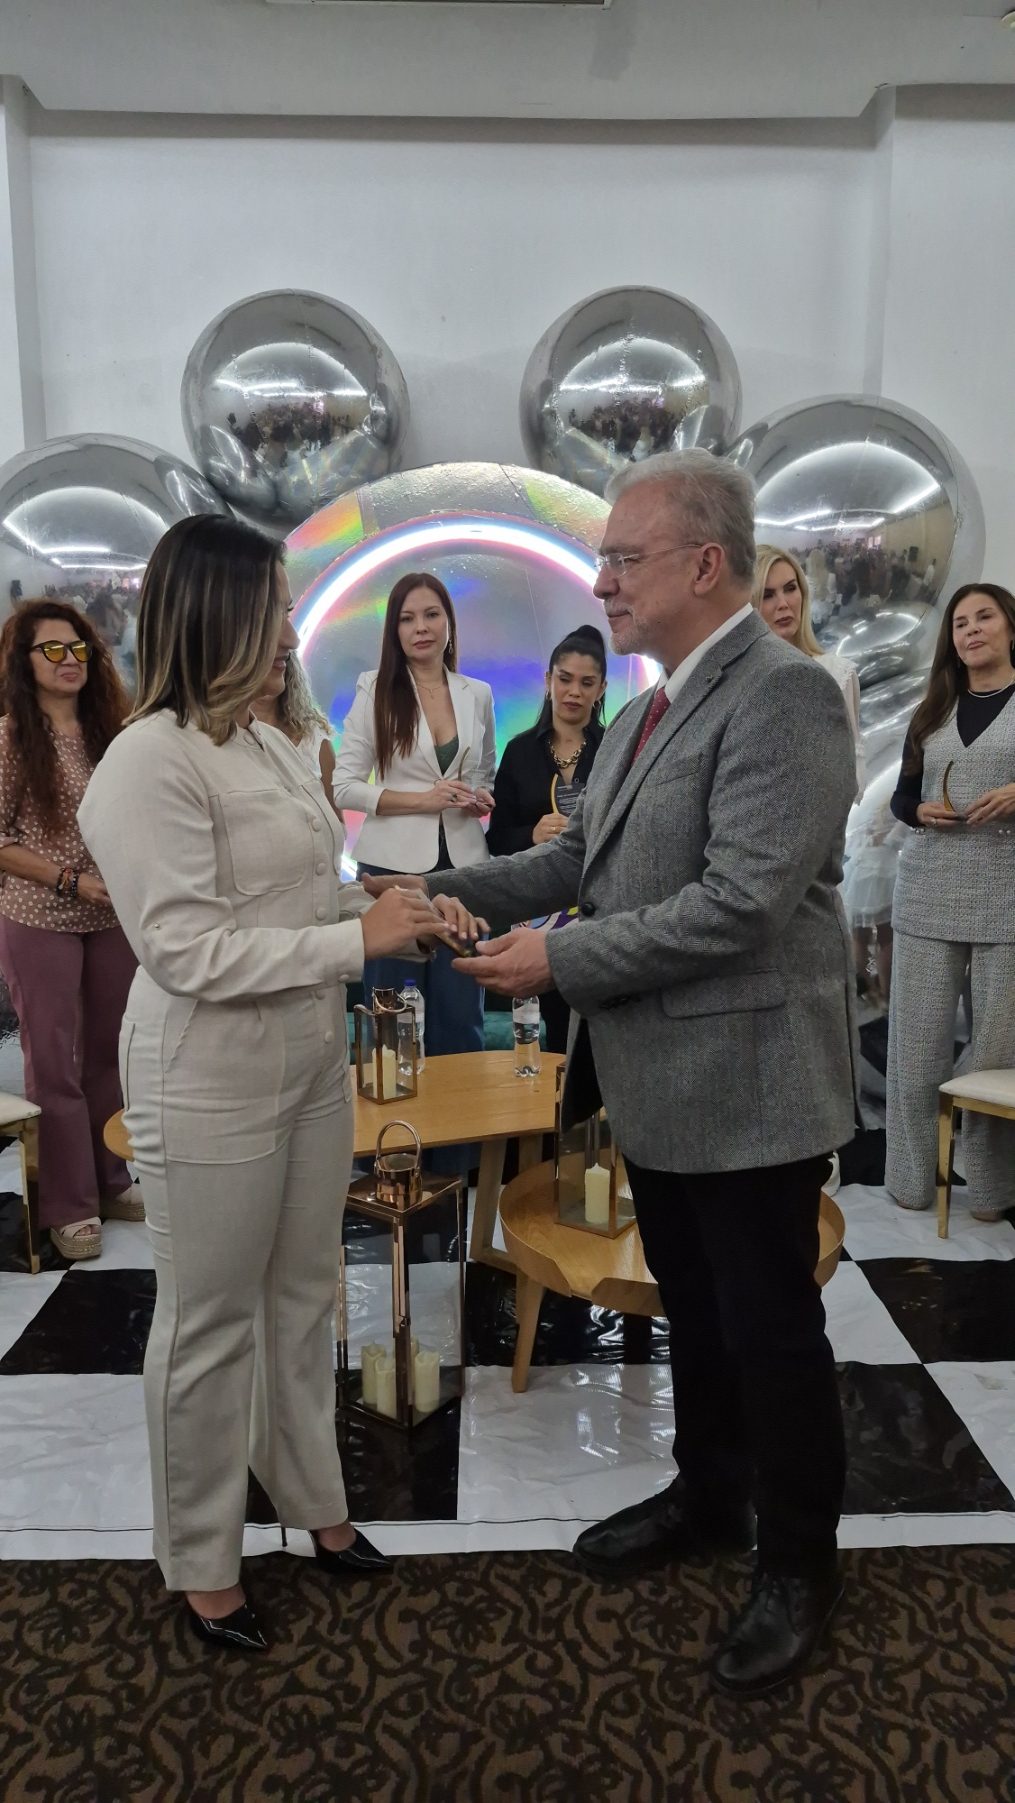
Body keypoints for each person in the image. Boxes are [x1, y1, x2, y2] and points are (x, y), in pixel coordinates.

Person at [370, 450, 859, 1698]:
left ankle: (800, 1564)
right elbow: (575, 857)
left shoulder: (786, 695)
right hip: (660, 1075)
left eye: (624, 560)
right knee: (693, 1303)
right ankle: (708, 1494)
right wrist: (427, 891)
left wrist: (558, 959)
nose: (602, 583)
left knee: (769, 1328)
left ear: (705, 563)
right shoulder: (647, 709)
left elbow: (741, 904)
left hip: (749, 1080)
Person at [78, 516, 441, 1654]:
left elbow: (304, 894)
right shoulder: (146, 762)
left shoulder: (269, 743)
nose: (292, 629)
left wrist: (392, 906)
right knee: (208, 1322)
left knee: (302, 1299)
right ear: (220, 614)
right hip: (207, 1074)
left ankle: (314, 1501)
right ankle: (201, 1560)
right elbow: (186, 949)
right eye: (278, 607)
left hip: (307, 1059)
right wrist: (356, 940)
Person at [0, 599, 137, 1262]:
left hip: (111, 914)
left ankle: (111, 1180)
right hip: (39, 916)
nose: (68, 660)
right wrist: (68, 879)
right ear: (23, 662)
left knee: (111, 1053)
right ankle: (69, 1204)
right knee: (54, 1063)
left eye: (77, 647)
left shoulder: (114, 731)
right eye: (51, 649)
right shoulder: (10, 738)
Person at [885, 582, 1015, 1223]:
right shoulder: (932, 708)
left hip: (1006, 899)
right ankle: (910, 1181)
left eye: (984, 617)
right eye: (960, 623)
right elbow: (900, 798)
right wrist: (918, 811)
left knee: (996, 1052)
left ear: (1010, 627)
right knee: (916, 1046)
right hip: (927, 893)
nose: (971, 630)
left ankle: (990, 1191)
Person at [332, 571, 495, 1061]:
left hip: (464, 869)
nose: (420, 627)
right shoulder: (376, 689)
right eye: (407, 619)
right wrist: (424, 800)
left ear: (448, 623)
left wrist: (479, 798)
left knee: (461, 1019)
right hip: (391, 872)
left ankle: (461, 1114)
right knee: (393, 1022)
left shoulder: (477, 693)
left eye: (431, 614)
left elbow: (483, 775)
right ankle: (398, 1114)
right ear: (394, 630)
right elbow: (344, 785)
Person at [486, 624, 607, 1052]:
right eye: (565, 679)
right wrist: (532, 833)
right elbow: (497, 840)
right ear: (548, 680)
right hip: (538, 914)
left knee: (601, 1029)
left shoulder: (616, 749)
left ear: (601, 689)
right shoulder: (519, 752)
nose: (573, 691)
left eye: (586, 683)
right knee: (549, 1035)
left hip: (600, 912)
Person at [753, 545, 865, 797]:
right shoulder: (738, 684)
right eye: (767, 595)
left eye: (790, 589)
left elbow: (853, 777)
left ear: (803, 593)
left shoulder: (838, 675)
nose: (783, 604)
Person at [250, 648, 345, 864]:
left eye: (274, 661)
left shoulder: (313, 737)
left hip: (312, 865)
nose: (264, 672)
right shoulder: (219, 736)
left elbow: (335, 820)